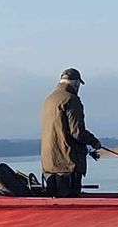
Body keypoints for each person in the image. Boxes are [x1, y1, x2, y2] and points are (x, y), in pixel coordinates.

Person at [41, 68, 102, 198]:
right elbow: (77, 133)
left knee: (55, 204)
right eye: (79, 84)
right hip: (68, 163)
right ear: (76, 83)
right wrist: (94, 142)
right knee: (70, 201)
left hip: (48, 164)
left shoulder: (49, 100)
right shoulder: (71, 100)